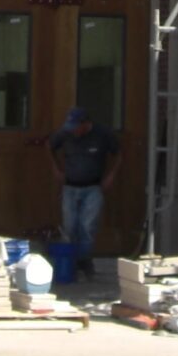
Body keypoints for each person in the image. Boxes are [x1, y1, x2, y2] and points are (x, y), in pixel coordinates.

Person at [48, 106, 119, 279]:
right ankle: (70, 263)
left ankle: (84, 261)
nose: (73, 131)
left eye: (76, 127)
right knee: (70, 226)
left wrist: (111, 176)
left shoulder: (102, 134)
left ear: (86, 124)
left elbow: (118, 153)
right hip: (70, 187)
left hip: (93, 188)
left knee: (87, 227)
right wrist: (55, 169)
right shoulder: (65, 134)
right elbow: (49, 146)